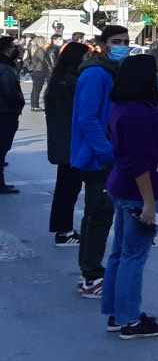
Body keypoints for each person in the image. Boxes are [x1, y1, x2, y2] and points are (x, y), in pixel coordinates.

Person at [102, 53, 158, 339]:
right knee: (134, 255)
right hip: (139, 191)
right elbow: (140, 162)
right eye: (155, 72)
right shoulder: (137, 115)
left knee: (121, 253)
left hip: (124, 187)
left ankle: (117, 312)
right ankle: (130, 319)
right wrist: (148, 202)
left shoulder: (130, 107)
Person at [70, 25, 129, 298]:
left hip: (104, 153)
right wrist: (107, 153)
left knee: (99, 214)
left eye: (126, 41)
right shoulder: (95, 73)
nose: (122, 46)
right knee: (98, 215)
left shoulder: (110, 71)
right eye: (117, 41)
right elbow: (87, 118)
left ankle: (90, 271)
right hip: (98, 157)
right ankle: (91, 275)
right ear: (103, 44)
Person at [46, 41, 89, 246]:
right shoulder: (72, 83)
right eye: (86, 57)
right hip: (72, 143)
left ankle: (62, 229)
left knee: (65, 188)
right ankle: (64, 231)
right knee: (69, 189)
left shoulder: (59, 79)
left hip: (64, 143)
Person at [0, 37, 23, 193]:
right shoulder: (5, 68)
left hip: (6, 111)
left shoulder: (7, 66)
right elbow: (10, 92)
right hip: (5, 112)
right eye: (15, 47)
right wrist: (19, 102)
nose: (18, 49)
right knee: (2, 147)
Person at [26, 35, 58, 111]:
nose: (46, 42)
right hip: (39, 71)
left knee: (35, 89)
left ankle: (34, 105)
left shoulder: (36, 49)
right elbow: (44, 60)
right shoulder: (40, 50)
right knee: (37, 89)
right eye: (45, 41)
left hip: (37, 71)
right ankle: (35, 106)